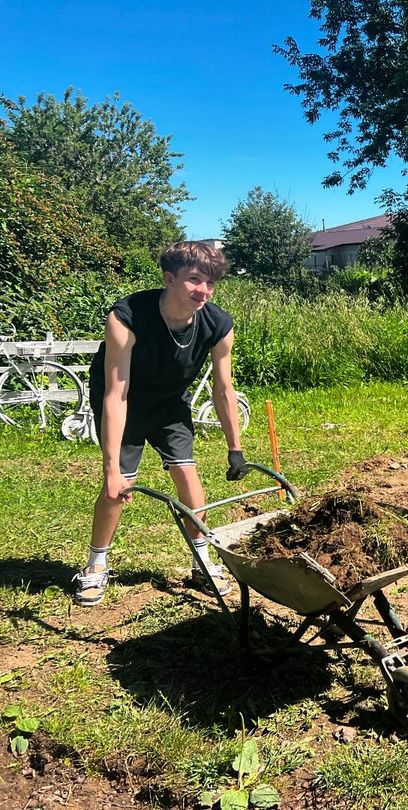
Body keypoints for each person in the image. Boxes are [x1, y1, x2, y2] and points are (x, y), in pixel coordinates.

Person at [73, 241, 249, 607]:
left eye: (211, 283)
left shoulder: (217, 323)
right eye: (195, 280)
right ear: (169, 278)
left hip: (170, 404)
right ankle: (96, 565)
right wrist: (110, 469)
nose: (204, 291)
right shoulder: (127, 317)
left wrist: (235, 448)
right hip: (126, 403)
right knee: (119, 487)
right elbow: (115, 394)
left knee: (188, 475)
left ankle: (202, 561)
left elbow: (223, 389)